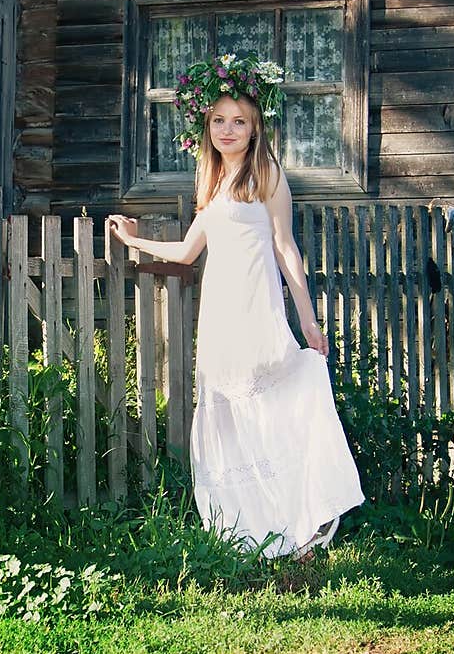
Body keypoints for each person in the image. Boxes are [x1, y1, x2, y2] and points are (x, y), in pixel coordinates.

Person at [107, 55, 364, 563]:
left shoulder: (264, 173)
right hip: (220, 315)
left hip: (258, 307)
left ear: (255, 127)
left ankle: (299, 525)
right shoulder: (210, 183)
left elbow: (286, 247)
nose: (228, 130)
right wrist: (134, 242)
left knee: (274, 407)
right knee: (231, 420)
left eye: (239, 121)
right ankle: (251, 529)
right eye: (219, 120)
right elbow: (186, 252)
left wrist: (308, 321)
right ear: (207, 125)